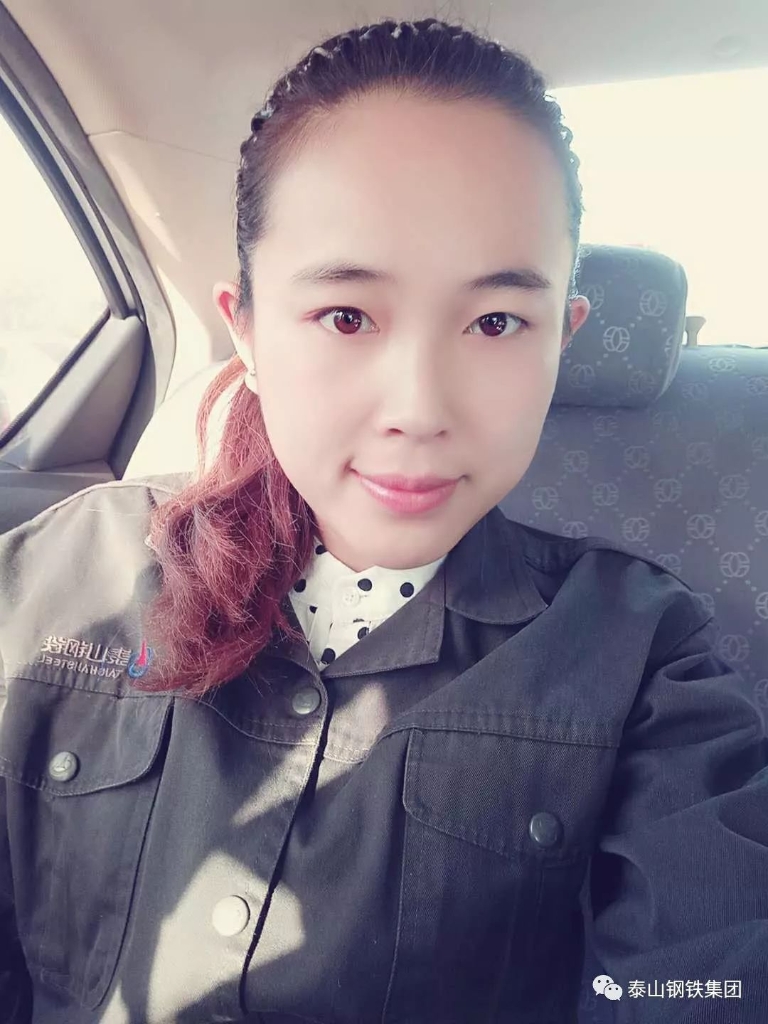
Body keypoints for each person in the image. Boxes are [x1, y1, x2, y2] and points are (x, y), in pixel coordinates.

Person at [1, 15, 767, 1024]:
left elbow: (703, 971)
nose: (419, 406)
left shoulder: (646, 657)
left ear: (560, 338)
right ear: (248, 329)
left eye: (496, 322)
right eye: (347, 315)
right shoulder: (63, 575)